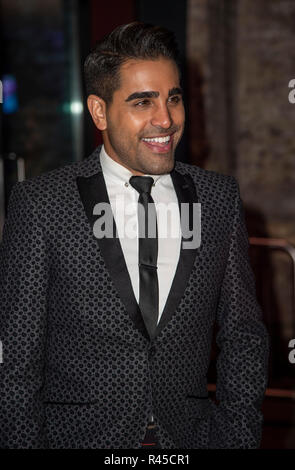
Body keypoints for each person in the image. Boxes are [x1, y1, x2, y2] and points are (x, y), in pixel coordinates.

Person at [0, 22, 269, 449]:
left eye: (173, 98)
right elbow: (16, 360)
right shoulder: (41, 204)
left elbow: (243, 336)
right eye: (143, 102)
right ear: (99, 111)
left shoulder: (218, 199)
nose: (166, 119)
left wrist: (237, 435)